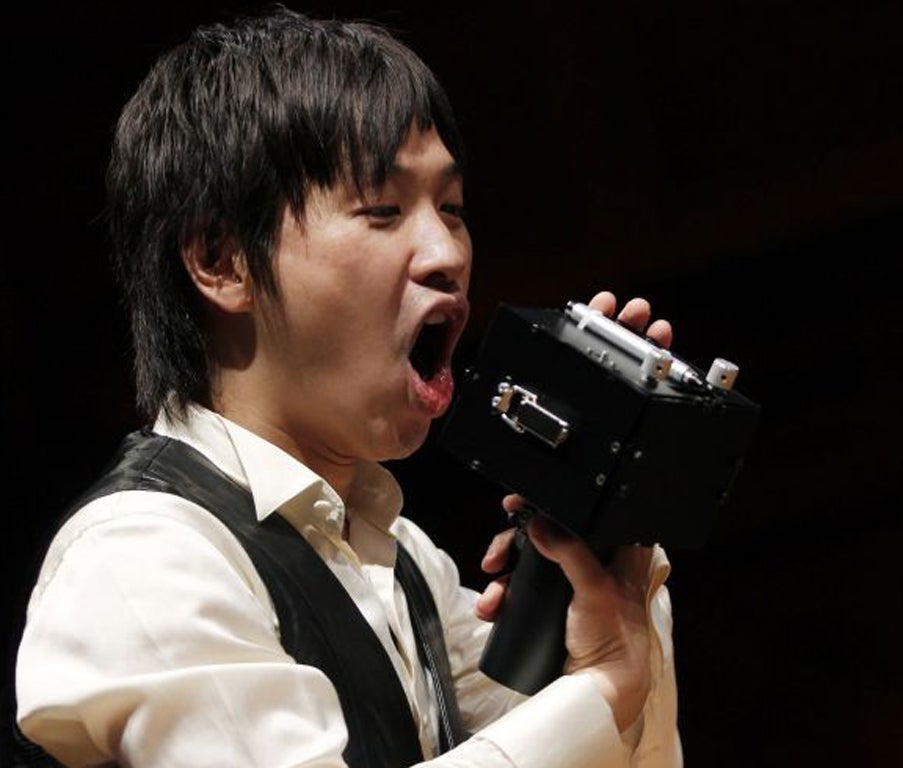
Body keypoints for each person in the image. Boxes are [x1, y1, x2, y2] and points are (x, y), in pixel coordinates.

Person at [13, 7, 682, 766]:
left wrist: (610, 568)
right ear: (221, 261)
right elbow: (592, 707)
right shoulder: (144, 559)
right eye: (383, 211)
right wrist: (600, 690)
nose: (445, 255)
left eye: (452, 209)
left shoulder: (405, 563)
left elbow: (594, 730)